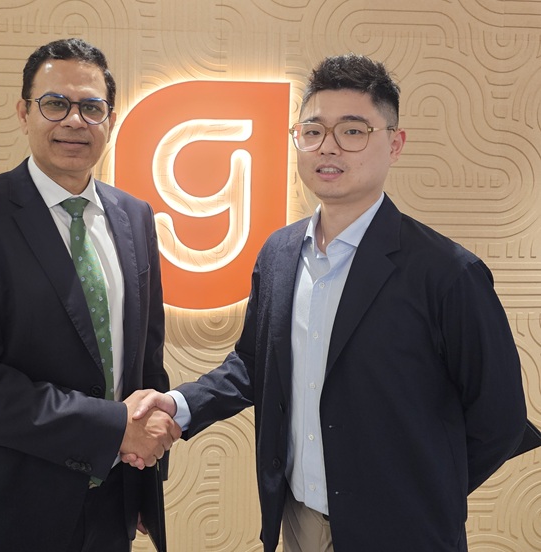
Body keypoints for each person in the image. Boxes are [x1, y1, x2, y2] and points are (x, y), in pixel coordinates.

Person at [125, 54, 527, 552]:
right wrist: (179, 406)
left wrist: (423, 494)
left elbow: (500, 420)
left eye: (353, 131)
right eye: (313, 131)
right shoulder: (279, 253)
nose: (328, 146)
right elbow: (254, 364)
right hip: (298, 521)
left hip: (403, 532)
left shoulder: (447, 273)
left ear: (395, 143)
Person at [0, 37, 180, 552]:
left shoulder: (135, 217)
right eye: (55, 103)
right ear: (24, 113)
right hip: (6, 508)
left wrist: (144, 472)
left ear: (110, 118)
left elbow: (146, 361)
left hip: (112, 505)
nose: (74, 121)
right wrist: (112, 428)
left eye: (91, 107)